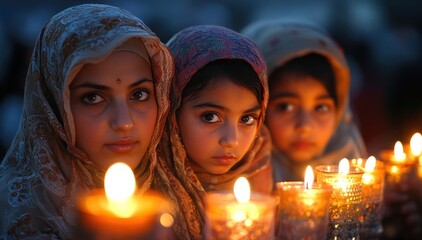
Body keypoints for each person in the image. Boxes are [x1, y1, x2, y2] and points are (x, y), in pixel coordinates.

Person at [0, 4, 175, 239]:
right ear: (53, 105)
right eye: (93, 98)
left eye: (139, 95)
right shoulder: (25, 216)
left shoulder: (180, 194)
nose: (123, 122)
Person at [241, 20, 367, 181]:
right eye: (285, 107)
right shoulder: (231, 180)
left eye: (321, 108)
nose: (305, 126)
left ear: (340, 110)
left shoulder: (352, 164)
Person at [162, 25, 273, 197]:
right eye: (210, 117)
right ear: (171, 110)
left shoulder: (263, 173)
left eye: (247, 119)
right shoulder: (147, 189)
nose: (231, 140)